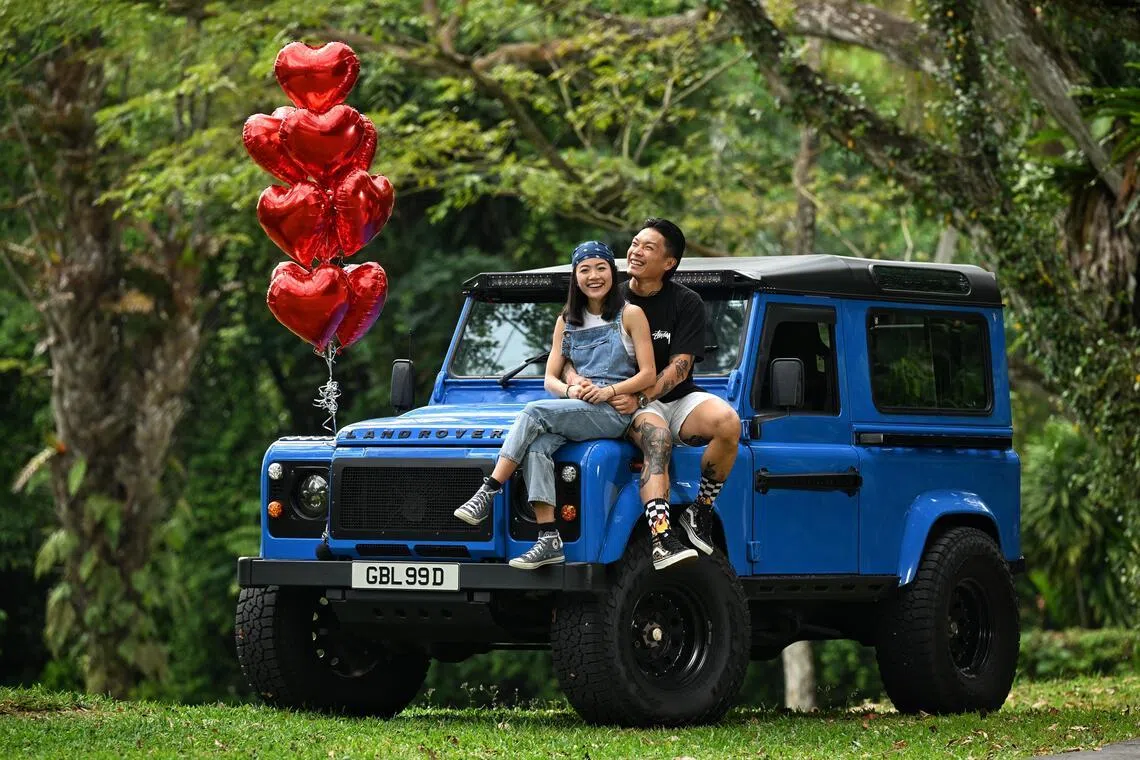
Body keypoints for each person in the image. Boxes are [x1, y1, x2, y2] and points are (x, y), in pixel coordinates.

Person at [453, 241, 673, 569]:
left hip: (614, 413)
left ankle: (490, 488)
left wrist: (609, 390)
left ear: (612, 272)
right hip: (579, 407)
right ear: (575, 276)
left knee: (533, 411)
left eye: (601, 267)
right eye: (584, 269)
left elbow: (648, 374)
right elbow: (550, 379)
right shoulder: (567, 320)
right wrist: (571, 390)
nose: (593, 275)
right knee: (537, 447)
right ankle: (548, 537)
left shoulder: (630, 314)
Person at [566, 218, 741, 565]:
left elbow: (681, 367)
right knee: (657, 440)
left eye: (648, 247)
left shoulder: (686, 301)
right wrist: (575, 383)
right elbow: (566, 349)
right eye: (634, 243)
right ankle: (662, 538)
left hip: (669, 396)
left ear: (669, 263)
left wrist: (644, 396)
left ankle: (700, 511)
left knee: (728, 423)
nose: (635, 252)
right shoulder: (607, 293)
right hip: (622, 401)